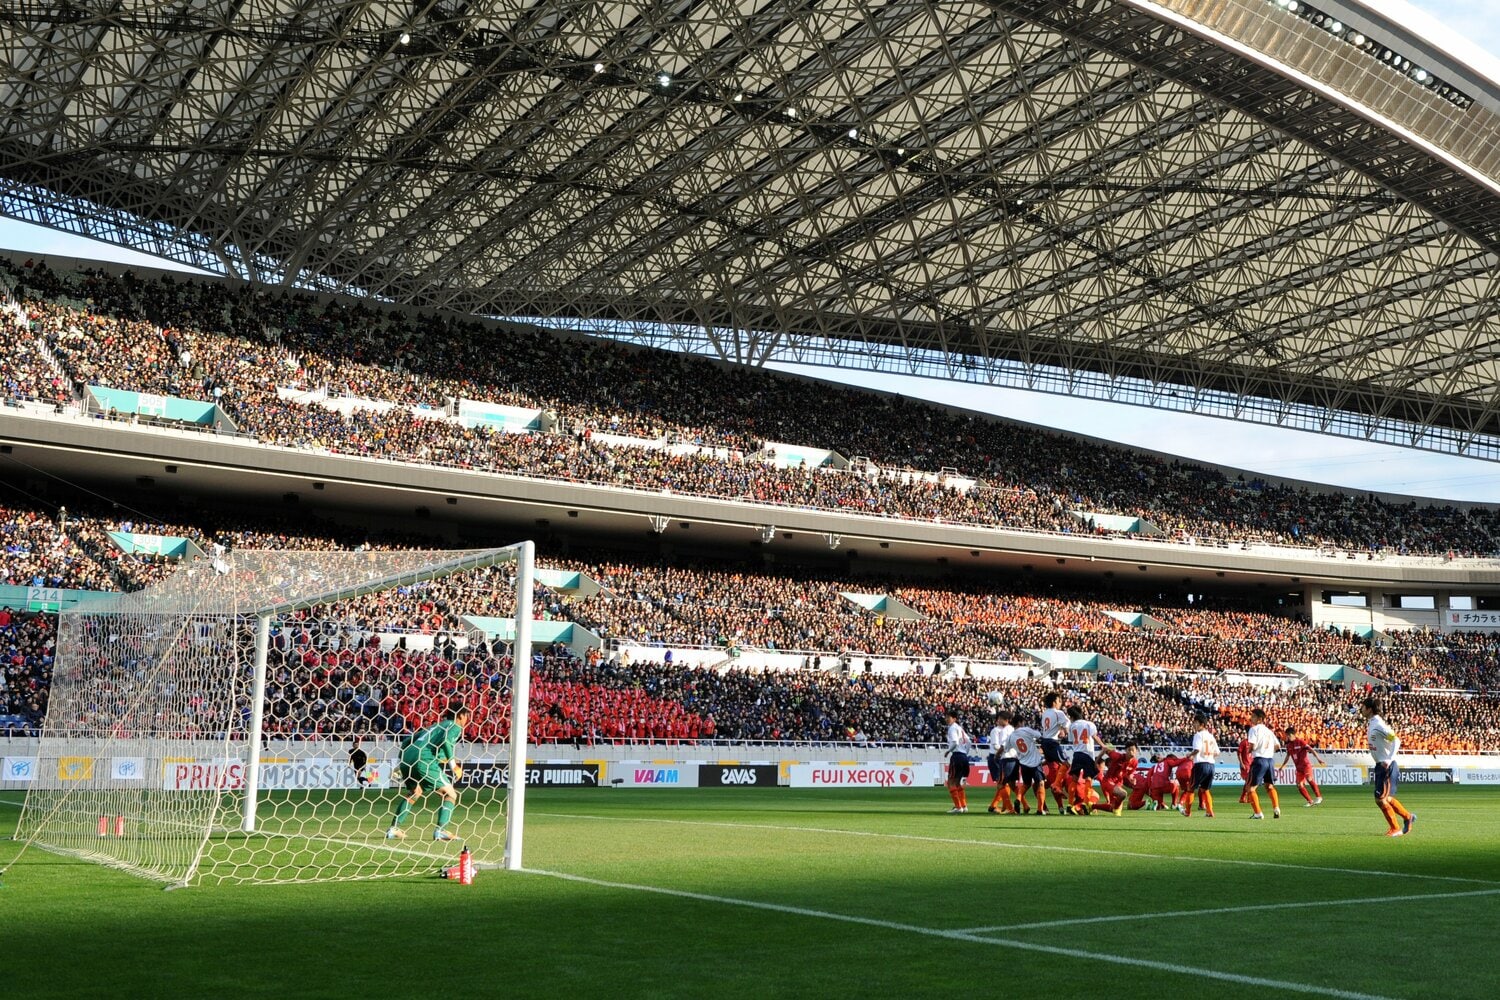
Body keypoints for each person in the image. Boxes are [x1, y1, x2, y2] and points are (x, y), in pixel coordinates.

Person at [386, 701, 469, 841]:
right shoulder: (455, 726)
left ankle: (393, 829)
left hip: (408, 759)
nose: (467, 719)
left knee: (415, 792)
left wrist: (400, 764)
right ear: (460, 715)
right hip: (424, 760)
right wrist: (454, 766)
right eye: (467, 716)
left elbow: (406, 742)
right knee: (450, 794)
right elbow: (446, 742)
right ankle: (441, 830)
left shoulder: (435, 726)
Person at [1361, 697, 1415, 837]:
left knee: (1380, 799)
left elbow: (1396, 740)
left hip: (1386, 766)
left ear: (1369, 709)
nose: (1361, 709)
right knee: (1386, 798)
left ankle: (1395, 828)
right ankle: (1408, 817)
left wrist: (1389, 759)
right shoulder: (1372, 723)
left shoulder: (1378, 725)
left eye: (1363, 707)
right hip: (1380, 766)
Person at [1065, 704, 1112, 815]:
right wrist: (1103, 746)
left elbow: (1072, 740)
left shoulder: (1072, 726)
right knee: (1088, 779)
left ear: (1072, 717)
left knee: (1074, 780)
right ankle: (1086, 803)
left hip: (1077, 754)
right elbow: (1095, 737)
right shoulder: (1089, 724)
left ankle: (1070, 804)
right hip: (1087, 754)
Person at [1006, 714, 1048, 816]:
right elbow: (1039, 735)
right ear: (1020, 722)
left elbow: (1007, 749)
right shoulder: (1026, 730)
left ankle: (1018, 798)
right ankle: (1040, 809)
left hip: (1023, 763)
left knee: (1026, 784)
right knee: (1041, 783)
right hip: (1035, 762)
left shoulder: (1011, 737)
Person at [1244, 708, 1281, 820]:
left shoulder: (1253, 729)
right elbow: (1278, 746)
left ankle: (1258, 813)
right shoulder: (1269, 731)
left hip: (1259, 760)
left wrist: (1249, 751)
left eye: (1253, 716)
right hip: (1270, 760)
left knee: (1250, 788)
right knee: (1269, 786)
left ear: (1259, 719)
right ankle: (1276, 808)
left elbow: (1252, 745)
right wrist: (1268, 751)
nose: (1251, 718)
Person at [1039, 692, 1071, 815]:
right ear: (1054, 702)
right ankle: (1056, 785)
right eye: (1059, 701)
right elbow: (1067, 724)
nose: (1060, 703)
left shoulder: (1045, 713)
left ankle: (1050, 803)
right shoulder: (1058, 713)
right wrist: (1065, 731)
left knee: (1054, 764)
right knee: (1066, 764)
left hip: (1044, 742)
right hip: (1052, 742)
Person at [1182, 716, 1219, 818]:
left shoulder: (1198, 735)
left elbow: (1197, 749)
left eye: (1196, 723)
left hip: (1200, 764)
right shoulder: (1211, 736)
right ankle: (1210, 811)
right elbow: (1217, 752)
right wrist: (1208, 756)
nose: (1194, 725)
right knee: (1205, 789)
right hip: (1211, 765)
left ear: (1202, 724)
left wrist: (1190, 755)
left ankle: (1187, 812)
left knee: (1190, 788)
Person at [1279, 725, 1326, 806]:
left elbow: (1311, 750)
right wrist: (1283, 766)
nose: (1286, 737)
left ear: (1291, 735)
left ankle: (1319, 797)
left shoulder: (1301, 742)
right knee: (1299, 785)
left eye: (1287, 736)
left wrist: (1318, 759)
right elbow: (1287, 756)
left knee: (1309, 778)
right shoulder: (1289, 745)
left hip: (1306, 765)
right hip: (1298, 768)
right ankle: (1310, 801)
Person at [986, 710, 1018, 814]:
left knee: (1003, 784)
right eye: (998, 718)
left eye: (1000, 718)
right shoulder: (998, 730)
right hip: (998, 757)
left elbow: (997, 745)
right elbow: (996, 745)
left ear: (1006, 720)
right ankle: (1005, 807)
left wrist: (1003, 751)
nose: (998, 720)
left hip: (1000, 757)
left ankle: (999, 806)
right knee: (1003, 783)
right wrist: (1004, 750)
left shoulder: (1001, 730)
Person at [943, 710, 972, 814]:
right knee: (957, 782)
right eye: (946, 717)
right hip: (963, 757)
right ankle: (963, 806)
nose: (946, 719)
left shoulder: (952, 728)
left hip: (956, 756)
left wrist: (948, 751)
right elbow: (969, 741)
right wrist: (965, 752)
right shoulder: (960, 728)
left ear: (954, 719)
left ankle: (958, 807)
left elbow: (955, 742)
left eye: (949, 717)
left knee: (950, 782)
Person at [1098, 743, 1139, 816]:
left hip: (1118, 783)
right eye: (1129, 750)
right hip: (1108, 781)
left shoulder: (1135, 762)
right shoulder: (1117, 756)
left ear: (1136, 751)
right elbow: (1105, 748)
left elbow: (1130, 774)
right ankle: (1115, 809)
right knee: (1123, 794)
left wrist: (1132, 779)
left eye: (1133, 750)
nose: (1131, 752)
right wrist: (1098, 759)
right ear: (1125, 751)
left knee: (1114, 806)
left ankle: (1091, 806)